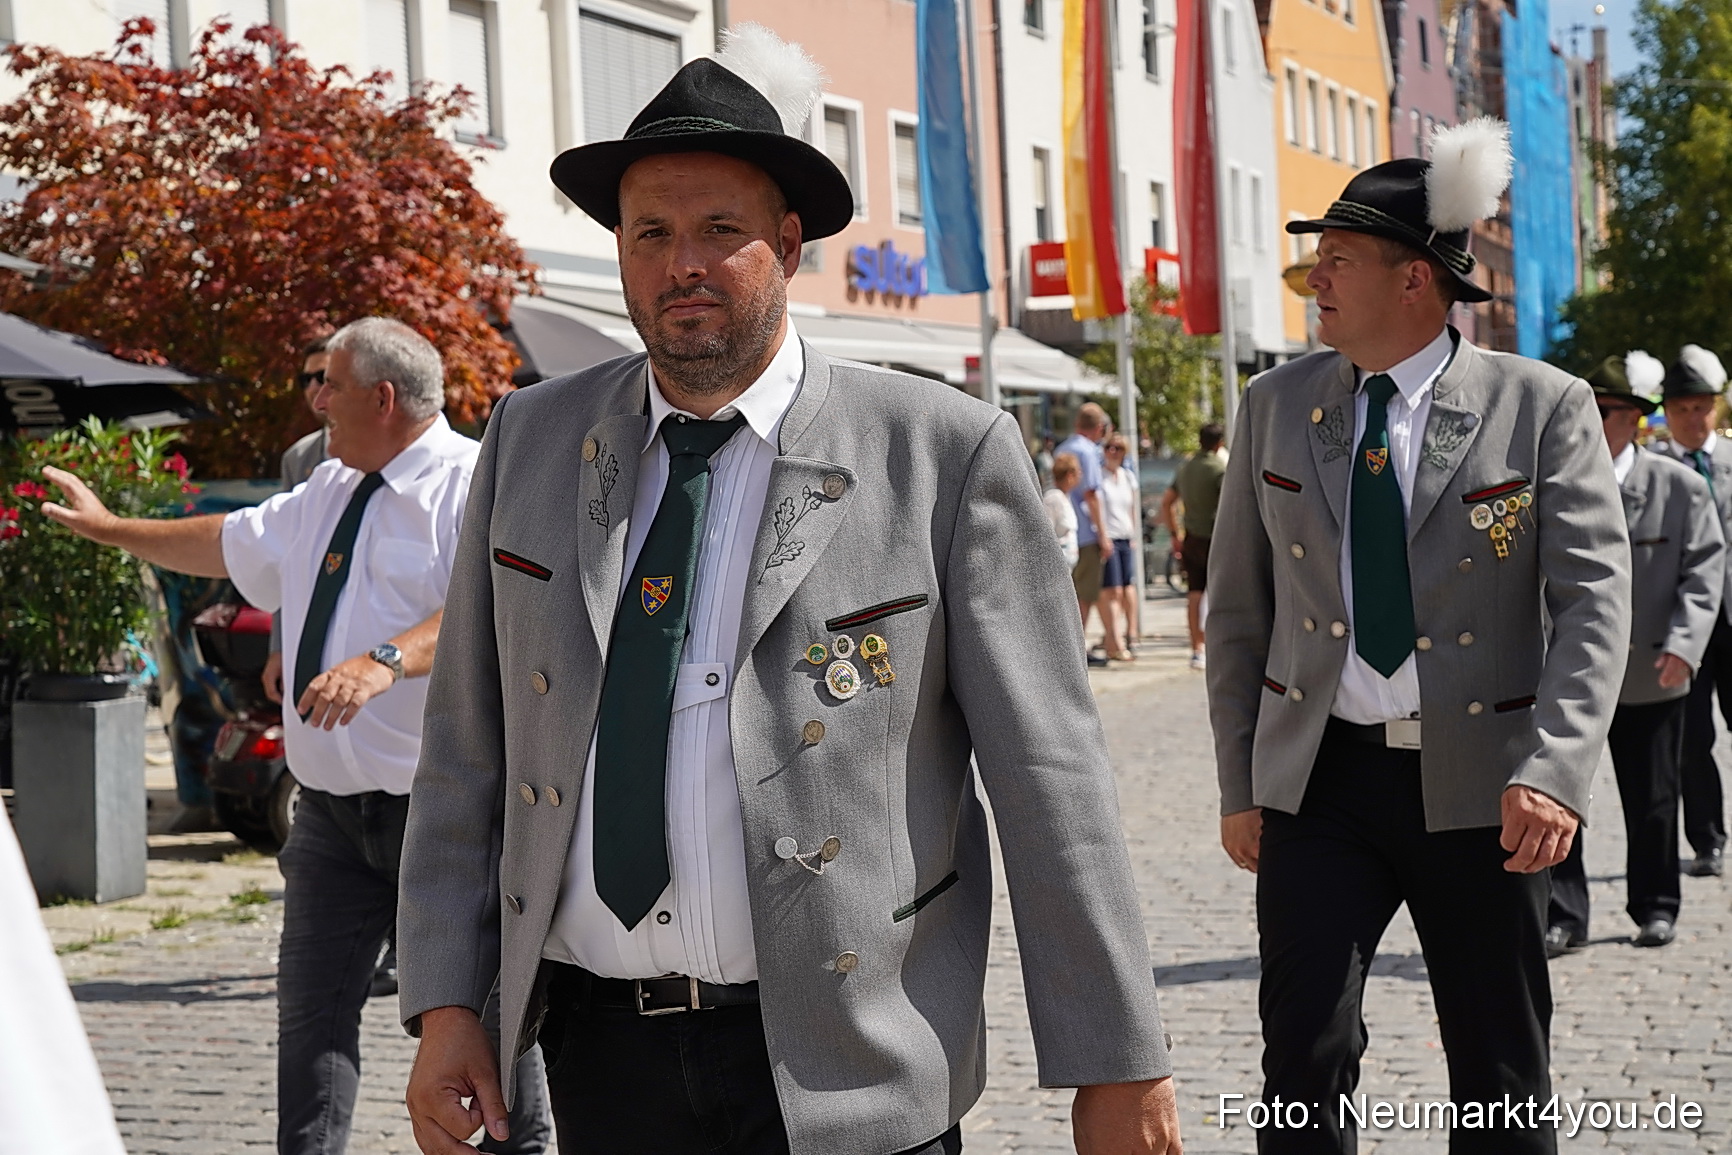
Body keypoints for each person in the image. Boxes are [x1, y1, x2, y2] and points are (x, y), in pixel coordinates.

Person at [397, 26, 1179, 1155]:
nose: (683, 265)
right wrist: (447, 1004)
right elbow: (469, 750)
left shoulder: (941, 453)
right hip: (596, 1058)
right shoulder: (530, 436)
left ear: (790, 240)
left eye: (722, 230)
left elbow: (1049, 780)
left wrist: (1117, 1060)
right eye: (650, 232)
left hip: (852, 1065)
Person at [1206, 119, 1631, 1154]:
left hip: (1485, 786)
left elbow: (1593, 600)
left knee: (1498, 1065)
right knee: (1300, 1057)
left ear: (1415, 283)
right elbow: (1238, 612)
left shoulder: (1540, 407)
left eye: (1339, 260)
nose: (1315, 278)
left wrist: (1557, 769)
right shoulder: (1274, 405)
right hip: (1319, 786)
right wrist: (1240, 781)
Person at [35, 318, 552, 1155]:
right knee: (309, 1026)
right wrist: (111, 529)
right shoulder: (329, 485)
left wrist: (385, 660)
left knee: (488, 1042)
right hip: (330, 821)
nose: (316, 401)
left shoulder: (470, 480)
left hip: (448, 821)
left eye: (330, 384)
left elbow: (489, 602)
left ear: (384, 397)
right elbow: (228, 542)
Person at [1546, 357, 1723, 955]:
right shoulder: (1555, 484)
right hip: (1568, 674)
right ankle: (1564, 914)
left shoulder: (1680, 486)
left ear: (1634, 419)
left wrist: (1684, 645)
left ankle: (1655, 906)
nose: (1594, 422)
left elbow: (1704, 573)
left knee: (1652, 798)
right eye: (1588, 410)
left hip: (1651, 670)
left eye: (1607, 412)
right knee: (1557, 791)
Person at [1657, 344, 1732, 879]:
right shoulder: (1655, 472)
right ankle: (1706, 838)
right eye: (1682, 407)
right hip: (1685, 626)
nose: (1693, 417)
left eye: (1702, 406)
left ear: (1717, 408)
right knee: (1692, 739)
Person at [1160, 423, 1226, 671]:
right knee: (1219, 594)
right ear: (1219, 443)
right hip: (1215, 537)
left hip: (1191, 537)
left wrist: (1174, 533)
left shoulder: (1185, 468)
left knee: (1194, 594)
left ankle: (1196, 648)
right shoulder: (1219, 469)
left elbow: (1167, 502)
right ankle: (1216, 645)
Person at [1056, 402, 1112, 665]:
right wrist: (1104, 534)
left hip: (1064, 534)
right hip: (1086, 534)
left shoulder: (1062, 448)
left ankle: (1068, 648)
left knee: (1069, 594)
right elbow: (1092, 495)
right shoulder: (1088, 452)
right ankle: (1078, 651)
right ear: (1099, 428)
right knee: (1085, 595)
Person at [1099, 433, 1139, 661]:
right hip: (1109, 537)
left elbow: (1131, 507)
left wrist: (1133, 533)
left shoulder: (1127, 477)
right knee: (1112, 590)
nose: (1113, 452)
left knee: (1128, 588)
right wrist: (1102, 536)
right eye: (1109, 448)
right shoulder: (1100, 477)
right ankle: (1115, 640)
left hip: (1125, 535)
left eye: (1118, 448)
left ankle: (1130, 632)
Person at [1045, 451, 1081, 569]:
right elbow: (1047, 533)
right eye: (1078, 472)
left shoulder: (1066, 497)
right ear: (1070, 475)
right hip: (1057, 567)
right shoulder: (1053, 498)